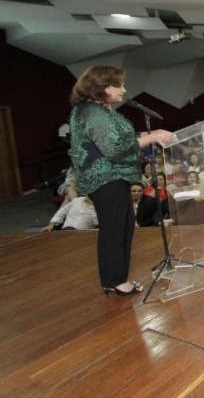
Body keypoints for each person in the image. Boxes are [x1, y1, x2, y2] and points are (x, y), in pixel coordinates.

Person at [69, 65, 173, 296]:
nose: (124, 90)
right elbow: (114, 149)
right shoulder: (92, 112)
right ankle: (115, 281)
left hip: (115, 178)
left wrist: (148, 134)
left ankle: (116, 278)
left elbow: (121, 139)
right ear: (104, 87)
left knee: (123, 226)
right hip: (106, 178)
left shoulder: (100, 110)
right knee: (114, 229)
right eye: (119, 85)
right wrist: (154, 137)